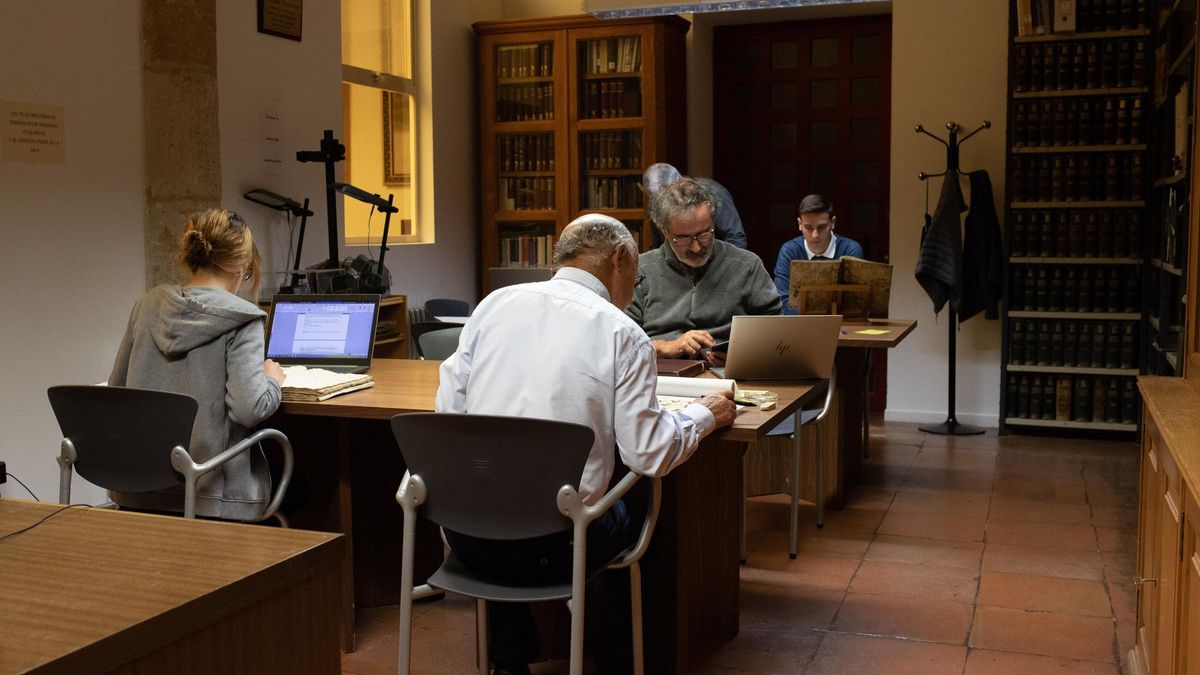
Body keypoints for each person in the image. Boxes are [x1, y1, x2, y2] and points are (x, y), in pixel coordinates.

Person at [436, 213, 737, 675]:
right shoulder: (623, 334)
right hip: (555, 551)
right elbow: (650, 455)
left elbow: (448, 417)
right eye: (635, 276)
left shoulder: (492, 306)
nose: (633, 289)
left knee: (498, 488)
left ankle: (508, 660)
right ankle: (619, 661)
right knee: (641, 508)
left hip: (466, 539)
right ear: (619, 258)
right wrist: (703, 415)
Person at [108, 208, 286, 520]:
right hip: (215, 494)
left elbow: (116, 390)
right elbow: (249, 408)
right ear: (242, 264)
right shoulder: (244, 318)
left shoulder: (147, 305)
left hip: (140, 490)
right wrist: (271, 379)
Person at [627, 177, 780, 363]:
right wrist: (665, 347)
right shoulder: (641, 269)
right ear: (664, 231)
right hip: (662, 375)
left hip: (730, 375)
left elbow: (775, 332)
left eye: (704, 234)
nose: (696, 248)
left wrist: (742, 355)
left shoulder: (746, 265)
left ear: (713, 223)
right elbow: (622, 342)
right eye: (683, 238)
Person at [773, 194, 865, 315]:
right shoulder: (789, 251)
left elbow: (856, 302)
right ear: (800, 224)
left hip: (843, 327)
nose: (815, 235)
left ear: (833, 223)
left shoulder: (850, 249)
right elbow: (782, 300)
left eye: (821, 227)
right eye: (808, 227)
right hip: (800, 326)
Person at [641, 162, 748, 248]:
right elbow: (657, 245)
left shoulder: (715, 193)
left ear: (680, 181)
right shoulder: (655, 202)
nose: (663, 203)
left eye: (668, 197)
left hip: (712, 260)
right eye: (657, 199)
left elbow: (735, 238)